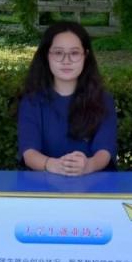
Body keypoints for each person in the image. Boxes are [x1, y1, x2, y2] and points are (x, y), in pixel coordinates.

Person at [17, 22, 117, 176]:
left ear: (86, 56)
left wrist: (88, 165)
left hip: (93, 185)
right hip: (43, 185)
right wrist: (53, 165)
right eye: (58, 53)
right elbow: (29, 153)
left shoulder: (103, 99)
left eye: (74, 53)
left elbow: (105, 151)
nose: (66, 60)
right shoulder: (32, 101)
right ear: (47, 55)